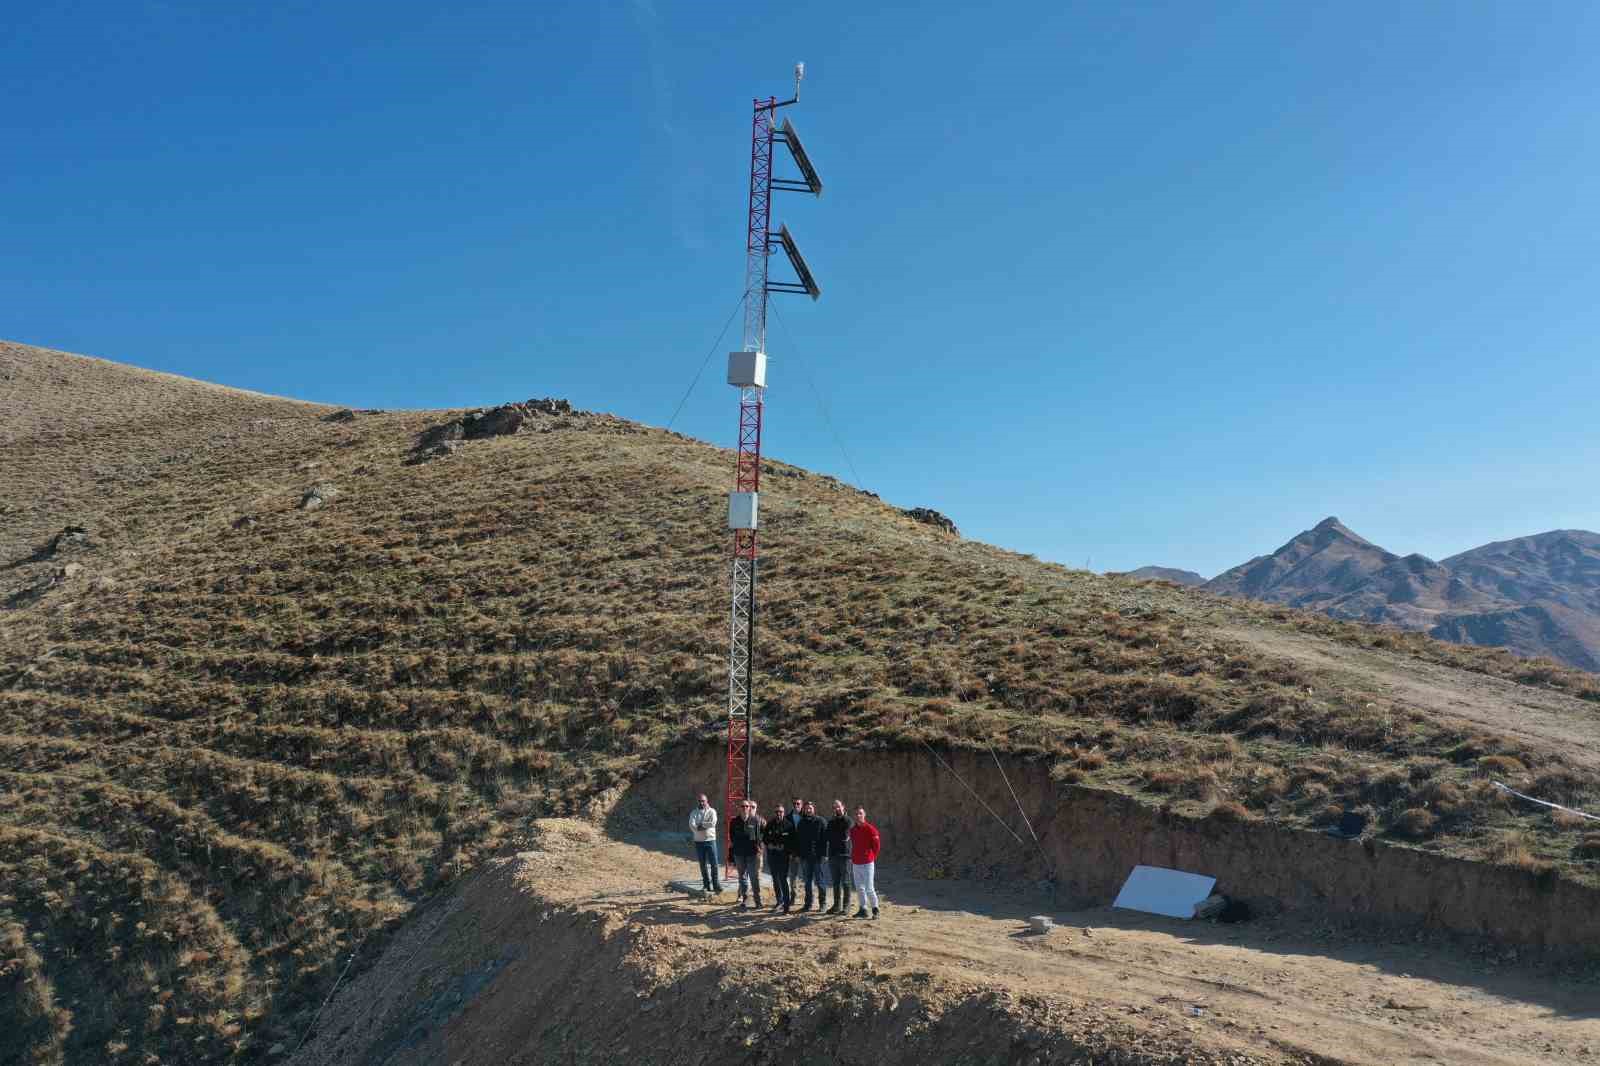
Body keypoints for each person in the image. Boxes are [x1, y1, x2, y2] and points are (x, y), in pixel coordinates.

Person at [728, 799, 765, 909]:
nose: (745, 808)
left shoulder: (755, 821)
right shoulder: (734, 821)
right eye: (742, 806)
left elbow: (759, 837)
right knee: (742, 878)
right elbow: (732, 837)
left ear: (750, 808)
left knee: (754, 878)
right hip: (739, 854)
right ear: (739, 808)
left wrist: (759, 848)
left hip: (752, 854)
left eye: (747, 806)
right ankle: (745, 899)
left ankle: (757, 900)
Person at [848, 805, 881, 919]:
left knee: (869, 888)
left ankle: (875, 909)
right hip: (856, 863)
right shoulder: (852, 830)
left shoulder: (871, 829)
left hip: (867, 863)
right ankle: (863, 909)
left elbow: (876, 847)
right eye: (856, 814)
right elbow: (853, 845)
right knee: (859, 888)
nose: (858, 816)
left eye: (860, 813)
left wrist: (871, 858)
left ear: (864, 815)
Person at [794, 800, 828, 911]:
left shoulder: (821, 821)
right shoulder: (801, 823)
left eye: (810, 808)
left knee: (820, 881)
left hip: (818, 857)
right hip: (805, 857)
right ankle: (808, 904)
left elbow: (826, 840)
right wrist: (798, 855)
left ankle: (822, 903)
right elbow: (798, 841)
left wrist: (825, 855)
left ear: (814, 809)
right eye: (807, 808)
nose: (808, 810)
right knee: (807, 882)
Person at [762, 805, 795, 912]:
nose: (778, 814)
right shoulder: (770, 824)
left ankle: (786, 904)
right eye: (777, 812)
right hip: (772, 856)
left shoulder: (789, 825)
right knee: (775, 880)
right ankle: (779, 901)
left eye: (780, 812)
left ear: (783, 812)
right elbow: (765, 838)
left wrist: (786, 849)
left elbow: (792, 841)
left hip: (783, 857)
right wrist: (769, 845)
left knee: (783, 879)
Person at [824, 799, 853, 915]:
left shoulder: (848, 820)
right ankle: (836, 905)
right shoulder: (831, 822)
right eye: (834, 807)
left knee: (846, 882)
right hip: (832, 855)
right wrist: (835, 836)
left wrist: (834, 836)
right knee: (835, 882)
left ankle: (846, 906)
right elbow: (827, 836)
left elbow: (845, 836)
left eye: (838, 807)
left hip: (844, 855)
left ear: (843, 807)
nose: (837, 809)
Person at [689, 793, 721, 895]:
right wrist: (703, 825)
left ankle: (716, 885)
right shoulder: (694, 812)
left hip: (710, 841)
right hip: (699, 842)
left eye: (703, 801)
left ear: (707, 801)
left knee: (714, 864)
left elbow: (713, 823)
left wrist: (700, 826)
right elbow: (692, 825)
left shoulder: (712, 811)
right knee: (702, 865)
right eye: (700, 801)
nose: (702, 803)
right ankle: (706, 885)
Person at [787, 795, 805, 902]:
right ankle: (793, 896)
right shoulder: (788, 818)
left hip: (804, 852)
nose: (796, 805)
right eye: (794, 804)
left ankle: (808, 899)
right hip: (793, 852)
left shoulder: (806, 817)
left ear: (801, 805)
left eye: (798, 803)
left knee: (807, 876)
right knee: (792, 876)